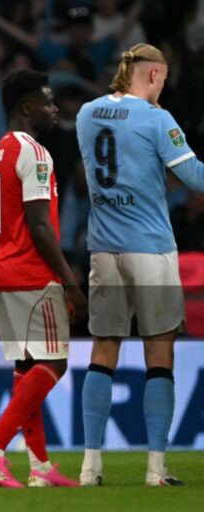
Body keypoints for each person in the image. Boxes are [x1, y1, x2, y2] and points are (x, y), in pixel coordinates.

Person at [76, 43, 204, 487]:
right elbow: (196, 179)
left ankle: (90, 466)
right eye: (162, 81)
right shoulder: (157, 119)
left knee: (102, 352)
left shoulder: (86, 113)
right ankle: (155, 468)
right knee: (159, 354)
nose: (163, 89)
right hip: (149, 248)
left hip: (102, 249)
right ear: (153, 75)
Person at [0, 69, 87, 488]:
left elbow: (3, 224)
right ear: (26, 108)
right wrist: (72, 283)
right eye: (49, 103)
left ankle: (40, 467)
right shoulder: (35, 153)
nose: (55, 110)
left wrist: (0, 293)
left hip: (4, 269)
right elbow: (39, 226)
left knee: (27, 365)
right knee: (54, 362)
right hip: (33, 273)